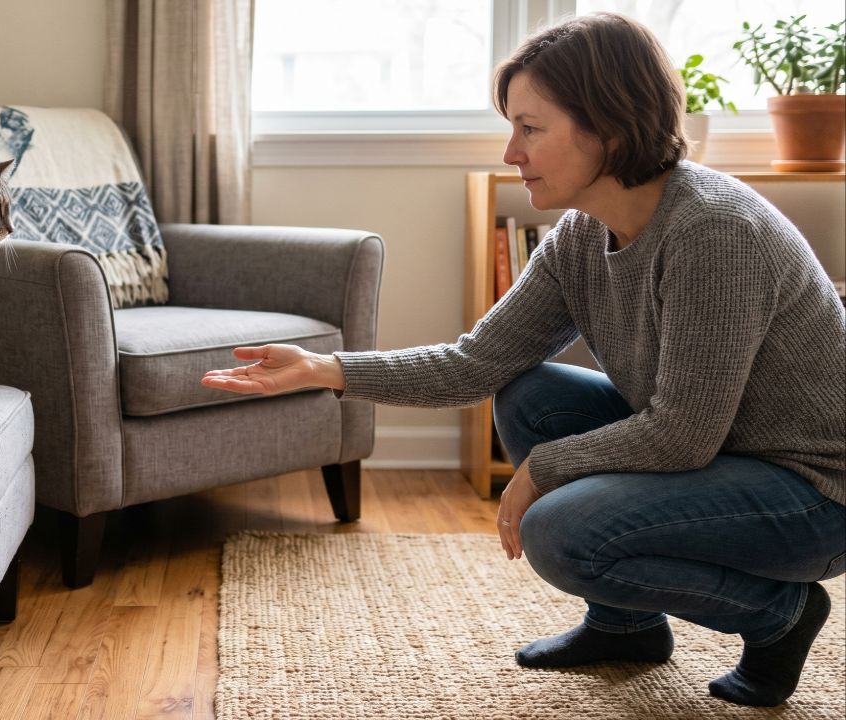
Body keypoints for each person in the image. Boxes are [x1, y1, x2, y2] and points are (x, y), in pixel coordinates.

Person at [202, 12, 845, 709]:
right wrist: (327, 369)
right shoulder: (581, 233)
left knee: (560, 531)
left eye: (530, 128)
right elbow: (476, 362)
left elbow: (682, 435)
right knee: (530, 395)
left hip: (812, 494)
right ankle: (624, 626)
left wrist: (545, 468)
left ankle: (779, 617)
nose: (512, 151)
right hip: (723, 456)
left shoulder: (714, 232)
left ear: (611, 129)